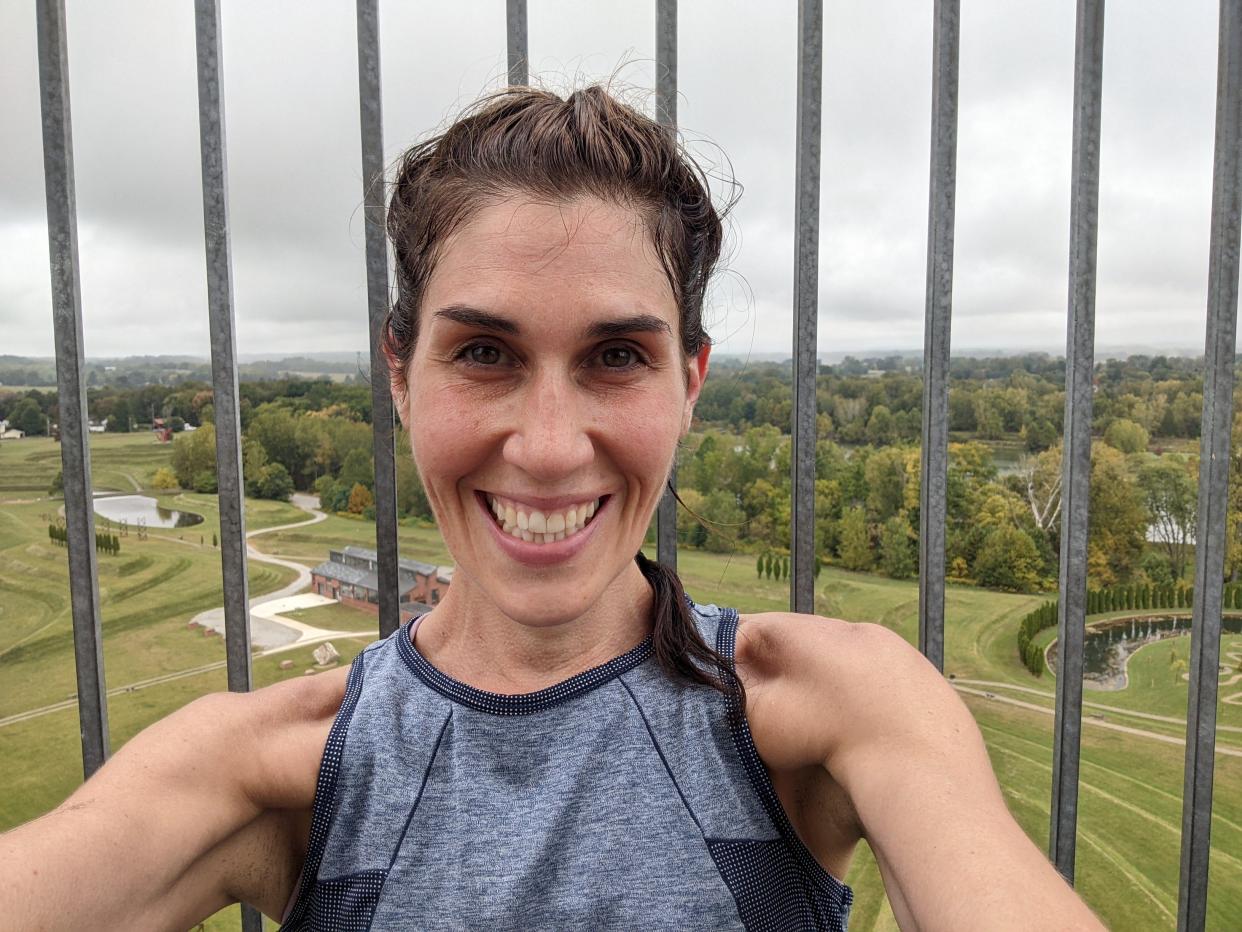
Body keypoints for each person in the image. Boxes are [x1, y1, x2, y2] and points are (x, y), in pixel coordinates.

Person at [0, 85, 1103, 931]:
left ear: (691, 384)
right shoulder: (280, 763)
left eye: (617, 355)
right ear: (399, 372)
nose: (545, 445)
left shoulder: (829, 705)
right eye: (484, 351)